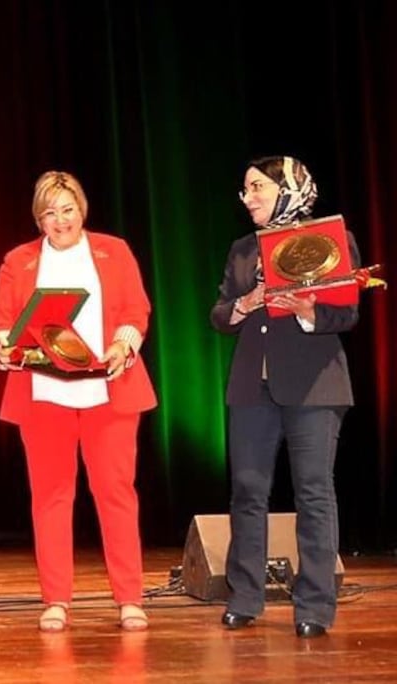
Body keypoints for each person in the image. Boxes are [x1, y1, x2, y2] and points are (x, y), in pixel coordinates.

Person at [0, 170, 157, 632]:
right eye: (49, 213)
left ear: (82, 209)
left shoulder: (115, 250)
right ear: (37, 219)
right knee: (51, 498)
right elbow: (1, 323)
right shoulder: (18, 261)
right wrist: (3, 346)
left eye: (67, 210)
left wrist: (124, 344)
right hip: (43, 395)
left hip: (108, 391)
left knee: (116, 494)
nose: (60, 221)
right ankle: (56, 600)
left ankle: (129, 598)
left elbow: (135, 310)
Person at [210, 156, 358, 639]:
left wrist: (310, 311)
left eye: (255, 188)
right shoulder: (241, 250)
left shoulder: (329, 240)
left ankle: (314, 606)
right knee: (248, 490)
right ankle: (246, 596)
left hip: (315, 384)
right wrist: (244, 305)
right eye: (244, 189)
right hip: (253, 386)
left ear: (286, 189)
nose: (246, 197)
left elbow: (347, 313)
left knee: (314, 491)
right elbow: (218, 314)